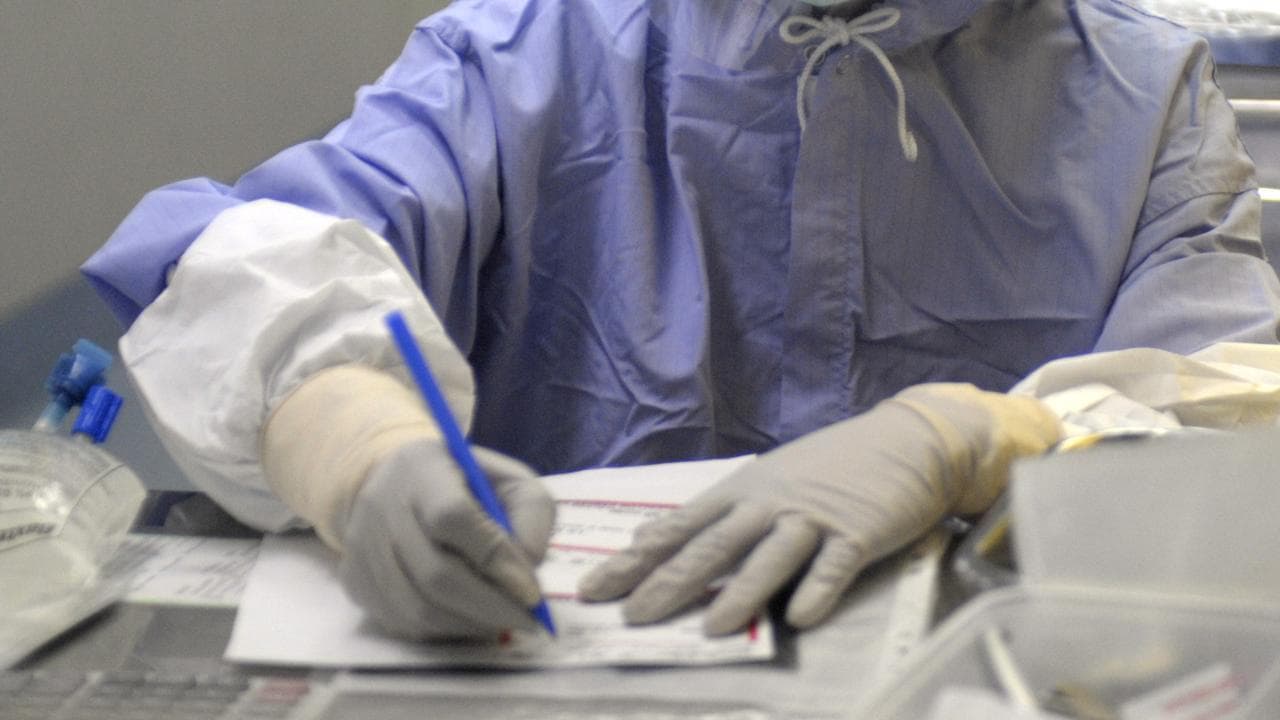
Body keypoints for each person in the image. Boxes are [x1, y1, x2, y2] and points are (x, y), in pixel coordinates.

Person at [83, 0, 1280, 640]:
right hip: (555, 648)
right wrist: (356, 449)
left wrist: (972, 437)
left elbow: (1233, 412)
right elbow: (249, 260)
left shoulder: (1139, 93)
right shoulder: (525, 51)